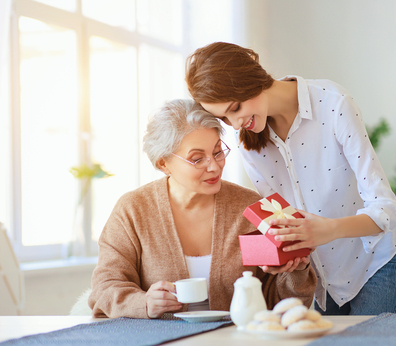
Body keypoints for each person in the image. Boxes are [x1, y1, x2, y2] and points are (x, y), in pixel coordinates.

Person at [185, 42, 396, 315]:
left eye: (235, 108)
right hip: (325, 279)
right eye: (224, 118)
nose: (235, 123)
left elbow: (386, 209)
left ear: (251, 79)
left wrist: (327, 230)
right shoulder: (249, 145)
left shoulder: (333, 103)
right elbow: (286, 221)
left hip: (380, 261)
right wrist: (285, 254)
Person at [88, 99, 316, 319]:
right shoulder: (133, 210)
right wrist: (144, 303)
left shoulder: (250, 207)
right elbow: (104, 288)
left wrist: (297, 269)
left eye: (218, 152)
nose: (214, 166)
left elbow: (277, 303)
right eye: (197, 159)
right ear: (163, 163)